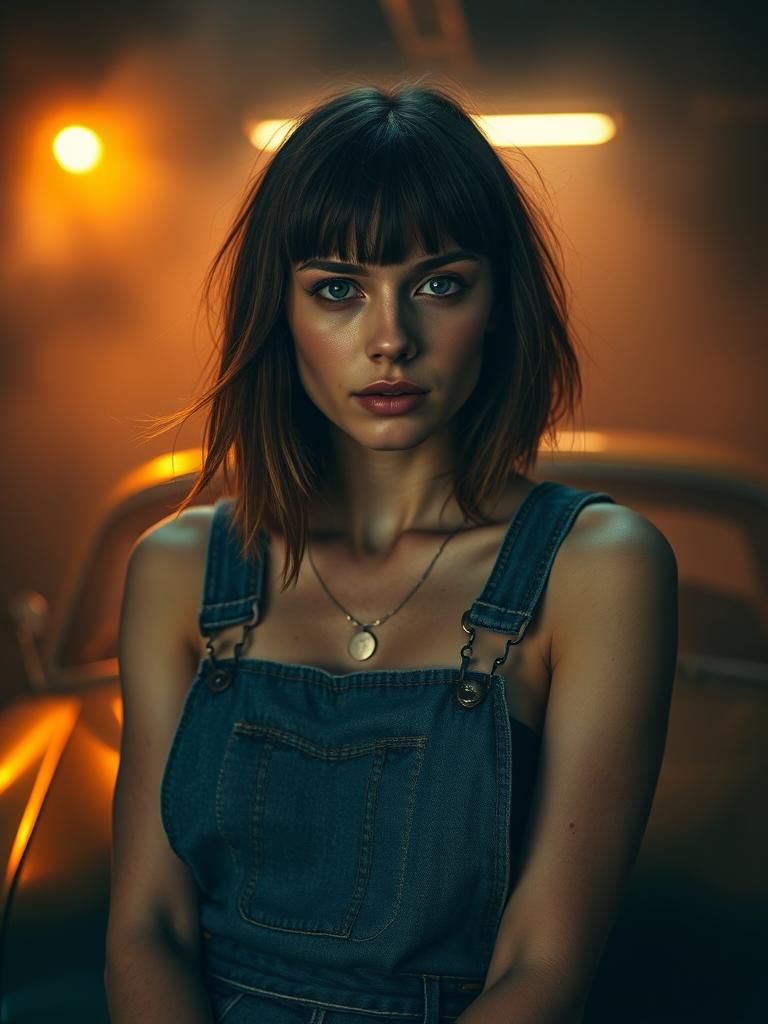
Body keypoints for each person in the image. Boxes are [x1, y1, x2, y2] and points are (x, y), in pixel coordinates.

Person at [103, 79, 678, 1024]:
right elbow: (147, 929)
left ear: (498, 303)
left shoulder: (599, 567)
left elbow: (545, 965)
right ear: (279, 314)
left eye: (439, 284)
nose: (389, 340)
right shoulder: (179, 566)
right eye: (337, 289)